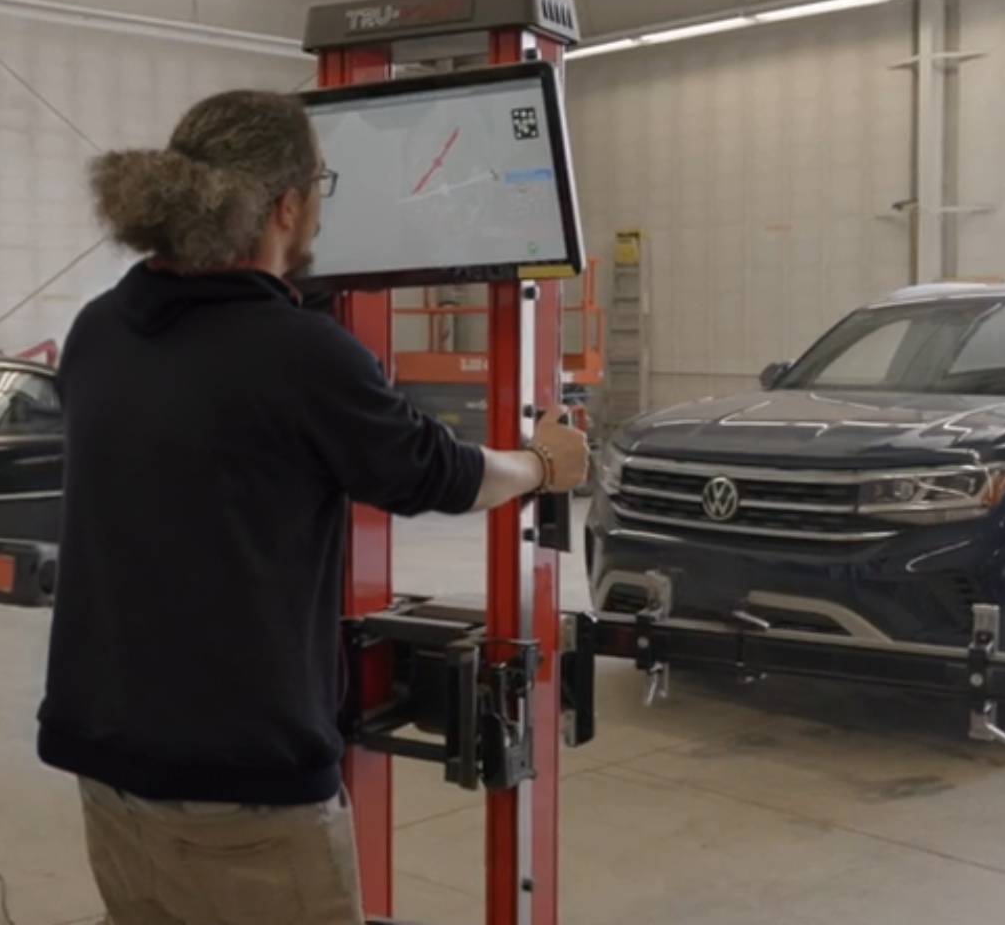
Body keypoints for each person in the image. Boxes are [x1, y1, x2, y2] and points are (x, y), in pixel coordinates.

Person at [35, 89, 591, 925]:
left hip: (104, 765)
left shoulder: (97, 329)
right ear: (287, 205)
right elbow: (438, 474)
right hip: (240, 787)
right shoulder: (299, 356)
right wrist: (543, 463)